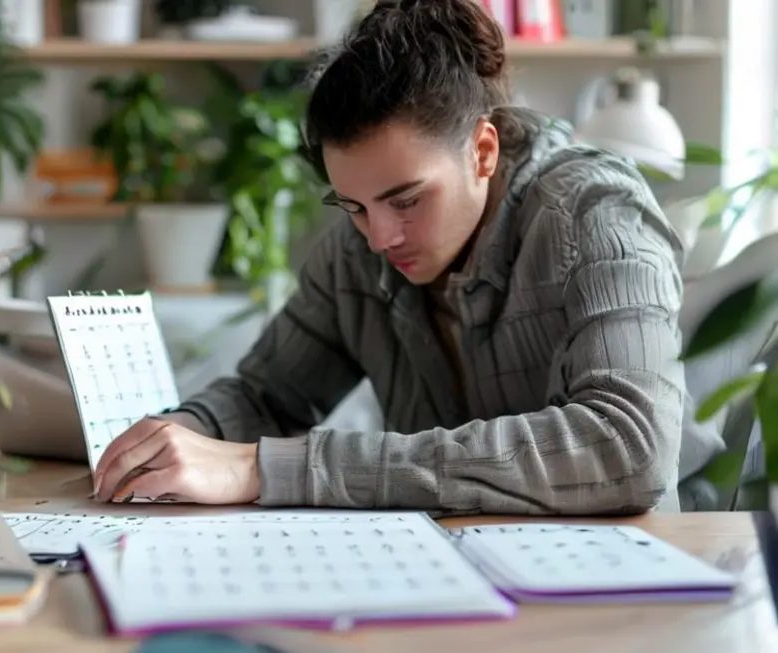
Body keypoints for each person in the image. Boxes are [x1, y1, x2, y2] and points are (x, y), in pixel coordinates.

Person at [92, 0, 720, 514]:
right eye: (355, 206)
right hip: (450, 573)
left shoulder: (600, 218)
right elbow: (267, 395)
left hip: (643, 576)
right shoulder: (357, 249)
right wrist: (170, 436)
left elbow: (631, 448)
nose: (378, 237)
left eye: (406, 199)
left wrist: (274, 468)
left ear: (482, 151)